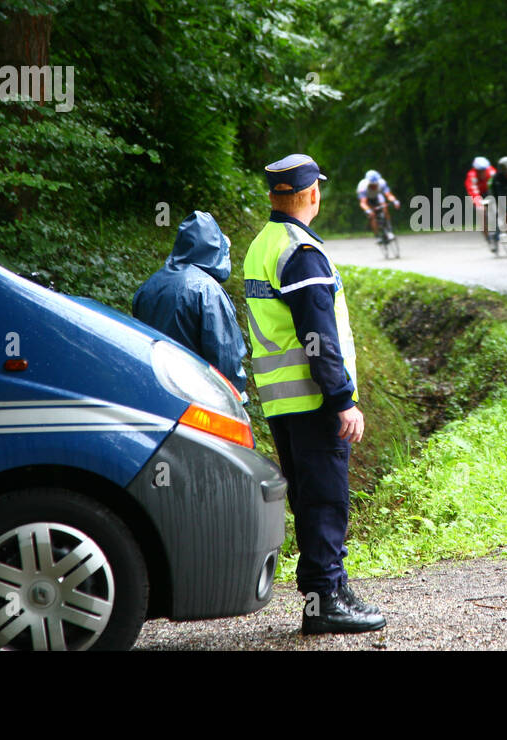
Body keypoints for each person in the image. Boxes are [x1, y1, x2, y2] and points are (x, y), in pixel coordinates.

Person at [241, 154, 385, 634]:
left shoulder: (263, 244)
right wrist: (342, 398)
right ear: (312, 194)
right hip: (313, 398)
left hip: (281, 401)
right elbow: (317, 334)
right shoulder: (302, 252)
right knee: (325, 499)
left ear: (274, 194)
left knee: (308, 499)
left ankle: (325, 591)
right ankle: (326, 602)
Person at [133, 210, 248, 395]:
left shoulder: (151, 284)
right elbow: (225, 355)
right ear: (217, 250)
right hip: (196, 396)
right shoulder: (208, 290)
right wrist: (236, 396)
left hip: (154, 389)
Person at [464, 155, 496, 248]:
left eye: (484, 170)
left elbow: (498, 183)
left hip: (489, 191)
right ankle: (488, 238)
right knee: (481, 212)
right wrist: (480, 204)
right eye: (480, 171)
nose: (482, 173)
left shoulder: (491, 171)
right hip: (477, 194)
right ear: (476, 170)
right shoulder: (471, 176)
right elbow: (473, 192)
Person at [357, 170, 400, 236]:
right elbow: (363, 203)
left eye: (375, 184)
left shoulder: (382, 182)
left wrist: (395, 201)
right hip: (368, 199)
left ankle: (389, 229)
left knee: (385, 208)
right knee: (372, 215)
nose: (374, 186)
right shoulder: (362, 186)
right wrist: (368, 210)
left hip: (378, 196)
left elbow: (388, 195)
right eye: (371, 185)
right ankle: (377, 235)